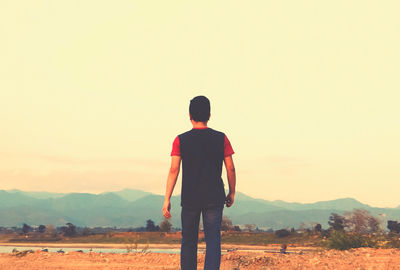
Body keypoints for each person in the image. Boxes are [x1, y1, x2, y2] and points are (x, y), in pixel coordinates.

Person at [162, 95, 236, 270]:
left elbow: (174, 169)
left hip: (190, 197)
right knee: (213, 240)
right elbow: (230, 168)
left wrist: (167, 198)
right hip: (214, 197)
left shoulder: (180, 140)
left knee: (188, 240)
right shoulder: (221, 138)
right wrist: (232, 192)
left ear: (189, 115)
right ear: (209, 115)